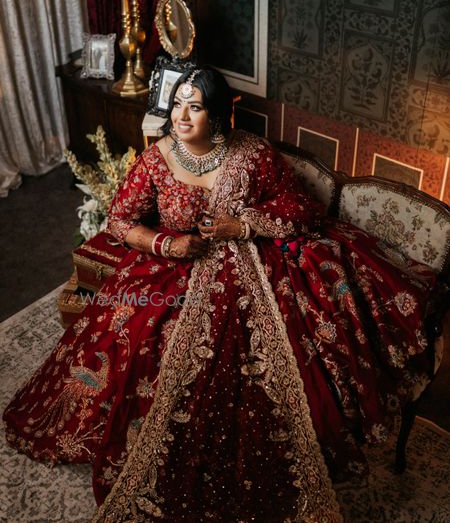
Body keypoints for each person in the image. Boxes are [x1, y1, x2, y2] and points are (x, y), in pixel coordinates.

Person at [3, 68, 437, 522]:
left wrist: (243, 225)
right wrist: (167, 243)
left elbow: (298, 206)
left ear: (217, 114)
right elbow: (120, 220)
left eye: (195, 106)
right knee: (136, 334)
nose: (182, 116)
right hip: (172, 269)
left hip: (257, 261)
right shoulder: (156, 160)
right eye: (177, 104)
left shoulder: (252, 154)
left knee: (299, 341)